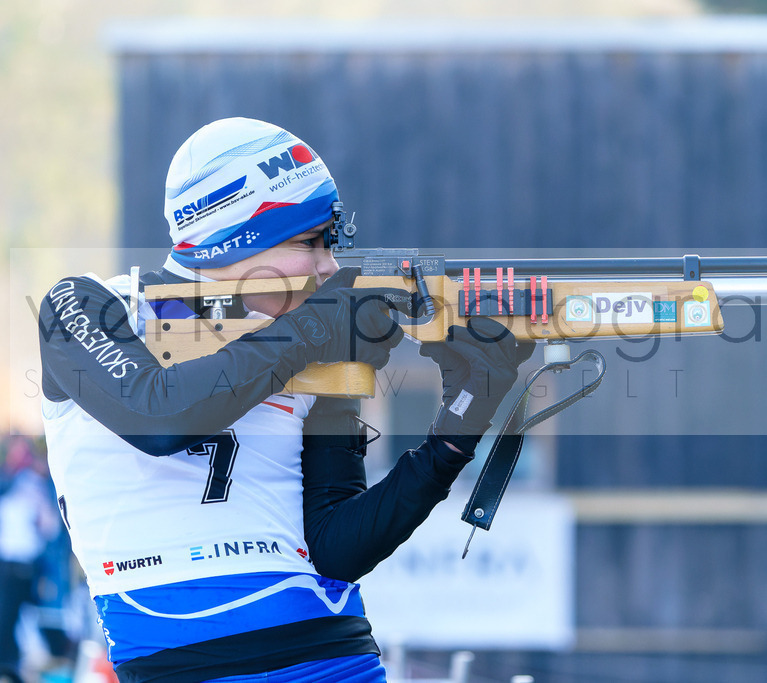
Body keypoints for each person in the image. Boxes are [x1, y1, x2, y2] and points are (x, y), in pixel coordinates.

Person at [38, 117, 533, 682]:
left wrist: (462, 419)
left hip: (341, 659)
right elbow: (159, 416)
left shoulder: (306, 342)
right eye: (308, 242)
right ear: (234, 237)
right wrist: (318, 328)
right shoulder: (91, 305)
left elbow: (335, 551)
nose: (327, 266)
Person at [0, 437, 60, 682]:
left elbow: (51, 527)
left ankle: (28, 667)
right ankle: (9, 667)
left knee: (29, 618)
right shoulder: (5, 484)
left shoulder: (37, 486)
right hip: (5, 563)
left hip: (29, 565)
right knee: (7, 619)